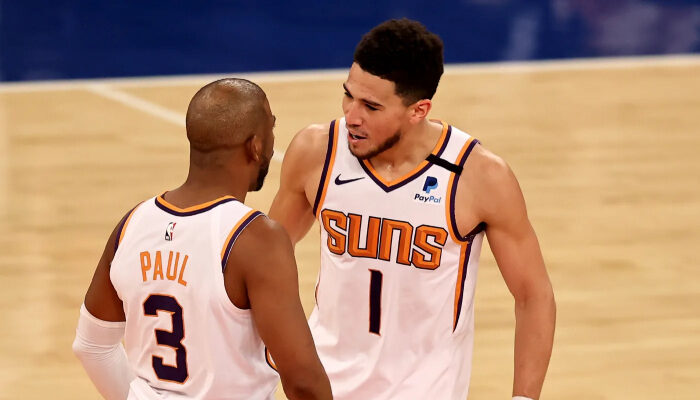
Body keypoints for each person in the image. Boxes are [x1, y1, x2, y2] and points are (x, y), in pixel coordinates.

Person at [269, 19, 555, 400]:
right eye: (348, 96)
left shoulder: (479, 176)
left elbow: (533, 296)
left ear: (418, 110)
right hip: (322, 387)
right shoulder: (316, 151)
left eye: (371, 106)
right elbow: (264, 259)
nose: (352, 116)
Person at [72, 78, 332, 400]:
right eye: (271, 129)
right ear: (254, 146)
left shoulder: (132, 224)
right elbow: (304, 381)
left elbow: (91, 346)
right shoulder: (256, 238)